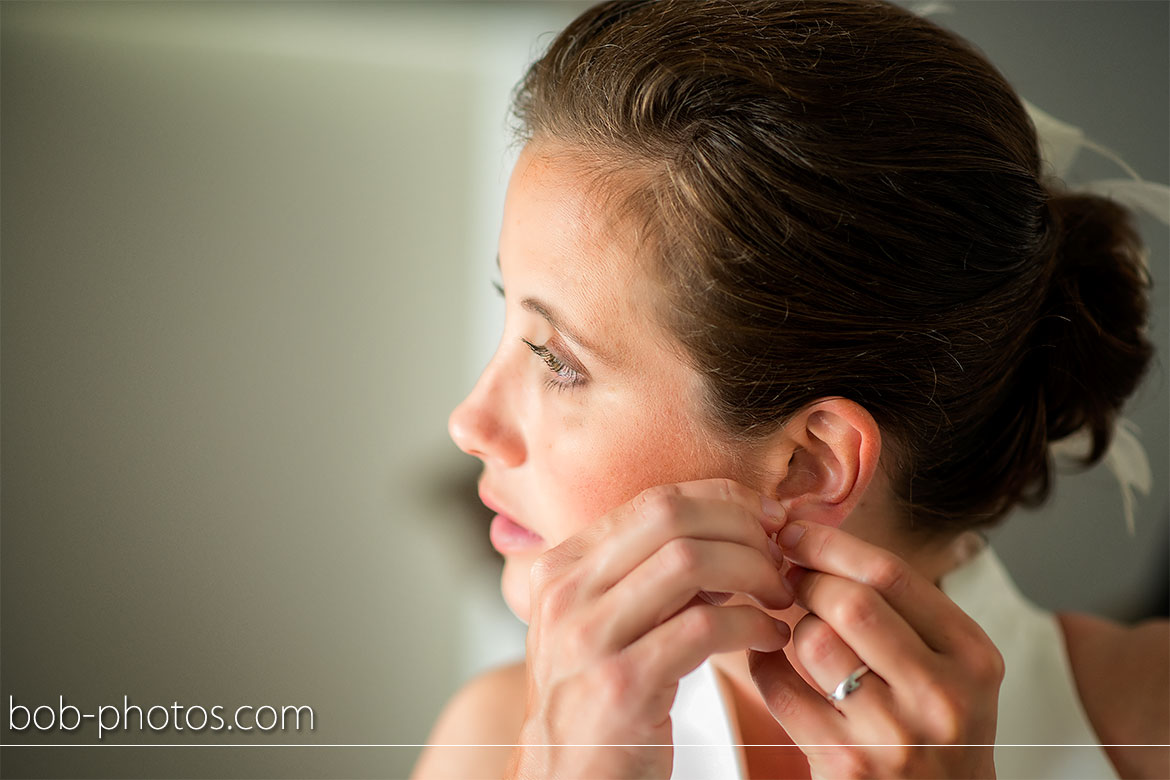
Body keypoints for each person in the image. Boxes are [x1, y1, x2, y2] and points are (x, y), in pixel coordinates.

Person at [413, 1, 1169, 777]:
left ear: (809, 464)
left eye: (555, 360)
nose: (470, 422)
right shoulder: (493, 741)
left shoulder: (1151, 715)